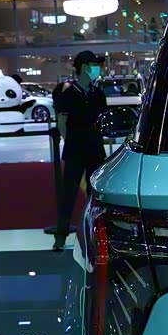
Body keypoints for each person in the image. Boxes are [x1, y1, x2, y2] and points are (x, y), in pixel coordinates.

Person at [52, 51, 108, 251]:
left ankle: (98, 234)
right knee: (69, 193)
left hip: (94, 149)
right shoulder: (68, 94)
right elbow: (62, 122)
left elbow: (102, 121)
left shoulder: (98, 94)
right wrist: (71, 140)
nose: (97, 69)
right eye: (94, 65)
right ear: (84, 67)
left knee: (96, 195)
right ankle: (61, 235)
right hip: (75, 150)